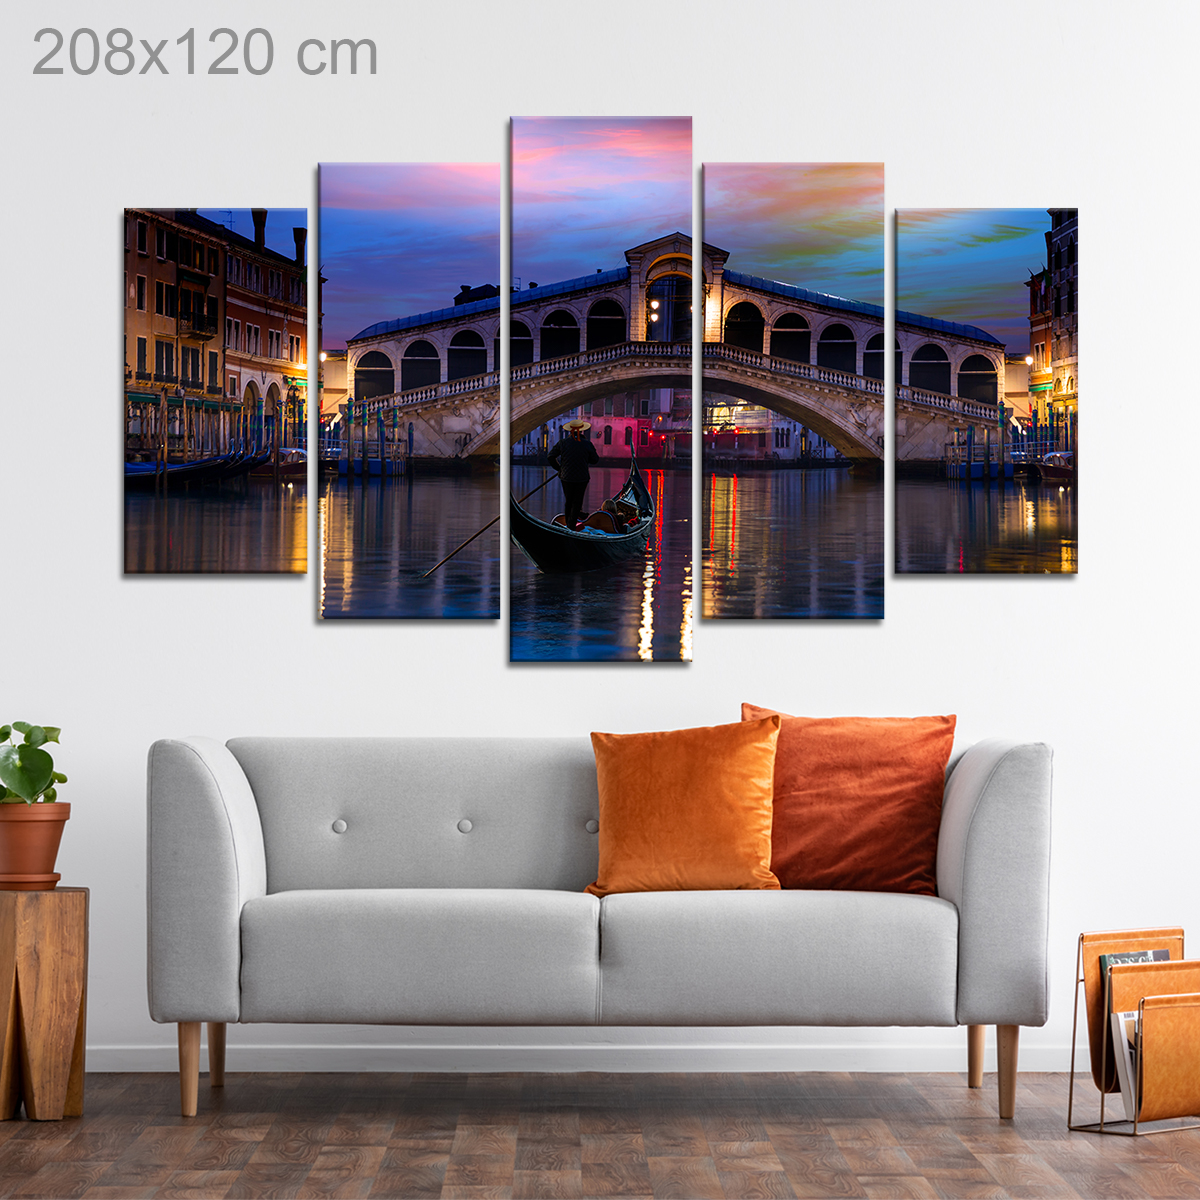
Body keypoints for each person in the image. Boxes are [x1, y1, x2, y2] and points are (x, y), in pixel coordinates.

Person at [547, 419, 598, 530]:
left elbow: (550, 457)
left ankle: (569, 525)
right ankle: (571, 526)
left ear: (570, 431)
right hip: (582, 477)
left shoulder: (563, 443)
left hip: (566, 476)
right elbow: (595, 460)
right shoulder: (587, 444)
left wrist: (559, 469)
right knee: (577, 502)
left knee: (569, 501)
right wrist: (585, 457)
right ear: (581, 431)